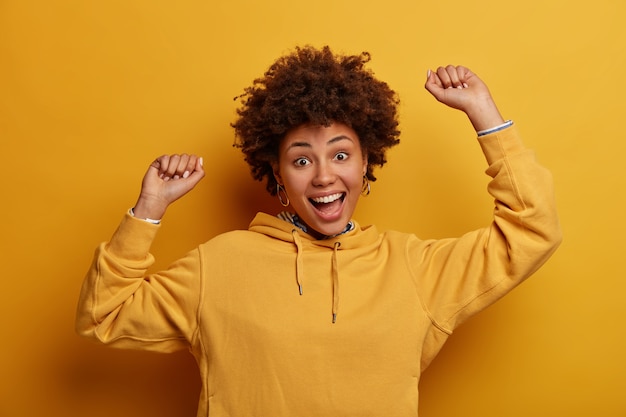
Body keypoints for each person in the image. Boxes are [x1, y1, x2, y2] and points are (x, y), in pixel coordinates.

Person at [76, 45, 562, 417]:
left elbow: (532, 230)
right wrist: (149, 208)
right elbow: (104, 314)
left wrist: (485, 116)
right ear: (279, 174)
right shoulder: (218, 265)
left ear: (367, 161)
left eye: (341, 154)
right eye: (302, 159)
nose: (324, 176)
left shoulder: (415, 269)